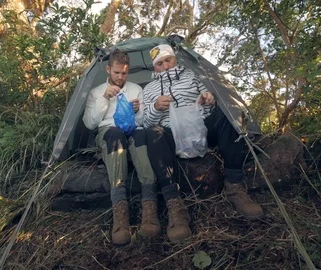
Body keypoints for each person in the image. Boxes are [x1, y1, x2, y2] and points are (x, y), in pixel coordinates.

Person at [142, 44, 264, 225]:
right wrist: (156, 107)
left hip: (201, 129)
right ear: (154, 67)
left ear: (176, 59)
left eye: (168, 60)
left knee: (227, 111)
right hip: (172, 135)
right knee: (153, 133)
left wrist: (209, 100)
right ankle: (174, 202)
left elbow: (209, 98)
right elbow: (145, 122)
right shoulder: (149, 89)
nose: (166, 66)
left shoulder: (192, 76)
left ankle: (234, 185)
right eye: (160, 63)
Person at [82, 50, 160, 245]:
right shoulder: (96, 92)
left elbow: (143, 121)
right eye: (116, 72)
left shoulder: (135, 89)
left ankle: (149, 209)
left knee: (141, 136)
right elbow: (90, 124)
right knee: (115, 135)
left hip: (133, 129)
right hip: (108, 131)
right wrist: (104, 99)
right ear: (108, 69)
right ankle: (120, 215)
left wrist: (138, 110)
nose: (120, 77)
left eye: (124, 73)